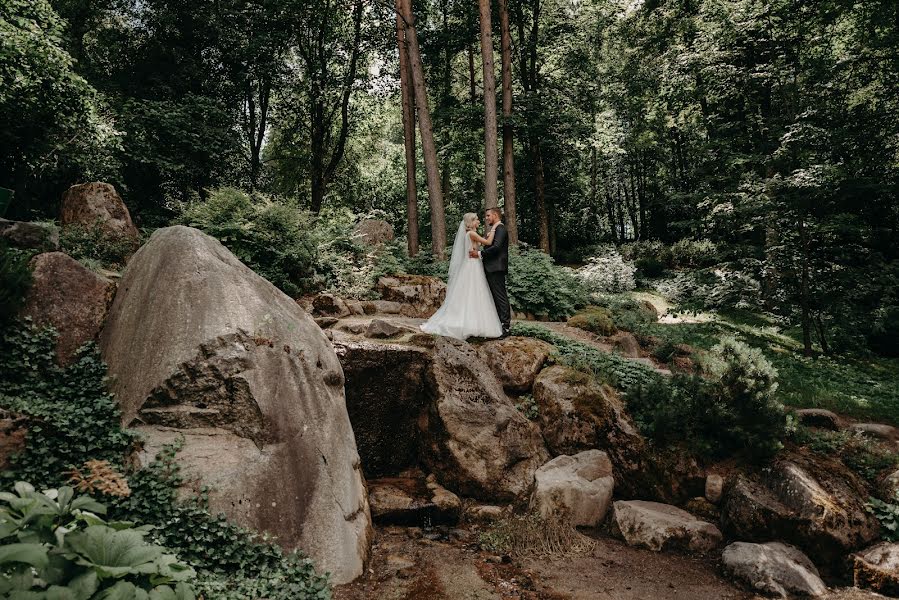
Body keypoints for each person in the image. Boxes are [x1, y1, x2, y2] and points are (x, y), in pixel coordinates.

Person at [420, 212, 503, 340]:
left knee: (471, 292)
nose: (479, 222)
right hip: (473, 266)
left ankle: (471, 322)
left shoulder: (468, 234)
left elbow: (477, 245)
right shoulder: (472, 233)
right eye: (477, 220)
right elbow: (488, 242)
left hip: (472, 264)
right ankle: (472, 324)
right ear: (471, 222)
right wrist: (494, 229)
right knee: (474, 292)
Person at [470, 207, 510, 338]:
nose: (486, 218)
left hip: (496, 267)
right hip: (491, 268)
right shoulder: (495, 229)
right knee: (495, 297)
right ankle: (498, 326)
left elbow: (497, 247)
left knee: (500, 297)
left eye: (488, 216)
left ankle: (506, 327)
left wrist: (480, 253)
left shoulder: (501, 229)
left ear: (495, 215)